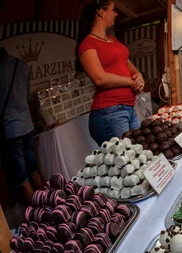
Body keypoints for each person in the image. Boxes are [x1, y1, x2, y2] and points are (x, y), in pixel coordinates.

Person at [77, 0, 144, 146]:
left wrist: (139, 76)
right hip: (110, 111)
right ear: (101, 12)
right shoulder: (88, 44)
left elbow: (127, 63)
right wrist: (131, 82)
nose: (116, 13)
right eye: (113, 10)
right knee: (125, 161)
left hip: (128, 108)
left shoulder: (113, 40)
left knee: (140, 154)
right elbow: (99, 78)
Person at [0, 47, 45, 204]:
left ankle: (37, 211)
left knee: (21, 172)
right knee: (32, 165)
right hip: (27, 124)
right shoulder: (22, 65)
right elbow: (27, 96)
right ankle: (47, 200)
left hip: (12, 130)